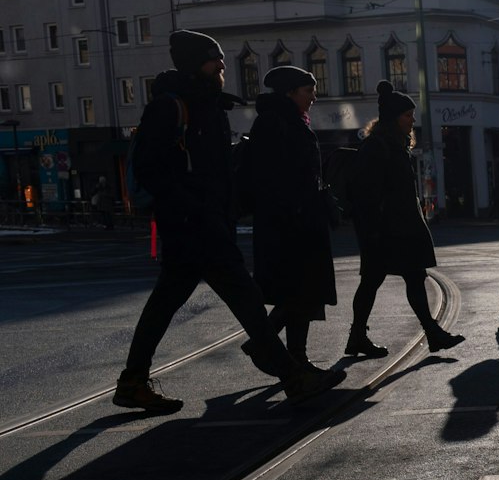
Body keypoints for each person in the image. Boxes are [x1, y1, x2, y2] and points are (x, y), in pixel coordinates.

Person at [113, 30, 342, 413]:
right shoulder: (171, 107)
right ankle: (292, 375)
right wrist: (195, 208)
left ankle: (133, 380)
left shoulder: (208, 106)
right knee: (247, 301)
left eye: (220, 58)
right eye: (212, 59)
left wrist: (223, 209)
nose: (221, 65)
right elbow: (152, 169)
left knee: (167, 304)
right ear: (193, 63)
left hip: (205, 224)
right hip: (194, 225)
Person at [343, 81, 464, 357]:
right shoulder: (378, 147)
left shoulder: (394, 145)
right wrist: (373, 230)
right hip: (388, 229)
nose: (412, 121)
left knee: (407, 277)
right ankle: (363, 336)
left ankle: (362, 337)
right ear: (393, 118)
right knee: (380, 280)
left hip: (399, 227)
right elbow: (369, 192)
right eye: (407, 116)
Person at [249, 65, 338, 369]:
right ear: (290, 93)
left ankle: (285, 352)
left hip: (301, 221)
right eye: (308, 91)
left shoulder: (291, 120)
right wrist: (299, 208)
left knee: (304, 293)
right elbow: (275, 176)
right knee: (299, 292)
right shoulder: (276, 123)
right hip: (290, 226)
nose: (314, 96)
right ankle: (280, 351)